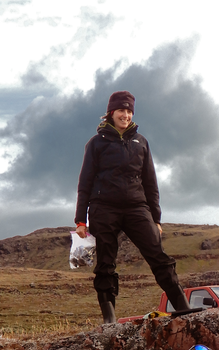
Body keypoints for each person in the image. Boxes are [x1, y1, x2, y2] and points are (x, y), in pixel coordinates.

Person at [74, 91, 191, 324]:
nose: (125, 115)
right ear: (111, 113)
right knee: (105, 264)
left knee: (159, 256)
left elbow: (150, 182)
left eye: (129, 111)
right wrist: (80, 220)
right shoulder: (96, 143)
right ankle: (110, 320)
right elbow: (84, 182)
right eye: (121, 111)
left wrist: (156, 219)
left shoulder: (141, 142)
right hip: (103, 208)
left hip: (137, 207)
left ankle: (184, 310)